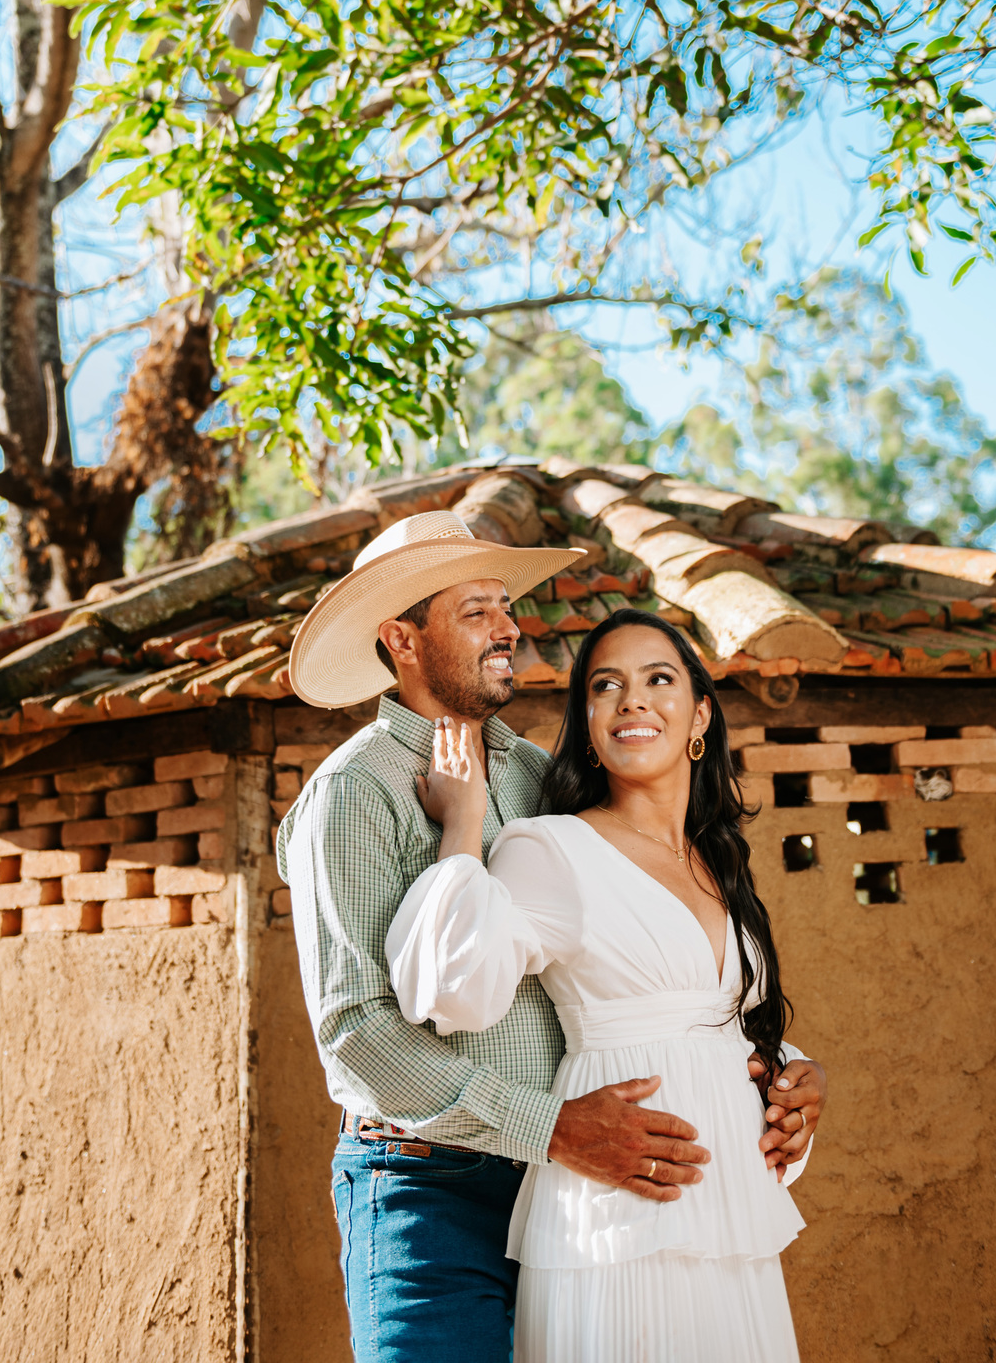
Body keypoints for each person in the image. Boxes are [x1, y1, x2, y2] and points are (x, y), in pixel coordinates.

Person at [278, 511, 826, 1363]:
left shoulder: (541, 779)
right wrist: (552, 1127)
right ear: (402, 640)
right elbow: (358, 1037)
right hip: (430, 1187)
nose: (509, 628)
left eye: (506, 606)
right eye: (477, 612)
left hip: (575, 1185)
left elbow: (630, 964)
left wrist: (774, 1065)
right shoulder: (355, 792)